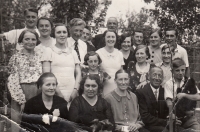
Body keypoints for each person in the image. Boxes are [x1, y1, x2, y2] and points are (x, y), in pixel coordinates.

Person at [41, 23, 81, 103]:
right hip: (53, 91)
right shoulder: (48, 51)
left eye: (64, 32)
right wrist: (58, 92)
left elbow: (78, 73)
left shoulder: (73, 52)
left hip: (72, 91)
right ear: (54, 34)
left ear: (67, 34)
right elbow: (46, 75)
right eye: (59, 32)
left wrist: (75, 90)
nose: (62, 35)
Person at [7, 29, 42, 112]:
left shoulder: (40, 56)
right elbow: (13, 80)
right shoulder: (15, 57)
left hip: (38, 92)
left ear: (37, 41)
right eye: (27, 39)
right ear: (21, 40)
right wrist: (21, 100)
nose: (30, 42)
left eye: (33, 39)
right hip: (20, 92)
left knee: (36, 120)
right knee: (20, 120)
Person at [136, 66, 176, 132]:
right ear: (148, 76)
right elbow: (145, 117)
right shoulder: (141, 92)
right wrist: (165, 122)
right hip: (147, 126)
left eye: (159, 75)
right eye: (154, 75)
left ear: (162, 78)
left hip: (163, 125)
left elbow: (167, 111)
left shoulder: (164, 91)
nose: (157, 78)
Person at [164, 58, 200, 130]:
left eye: (182, 70)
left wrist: (184, 95)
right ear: (172, 71)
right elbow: (168, 101)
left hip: (190, 118)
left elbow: (198, 97)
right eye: (177, 70)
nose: (180, 73)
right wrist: (172, 115)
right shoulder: (168, 83)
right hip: (176, 118)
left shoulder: (189, 81)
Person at [96, 30, 124, 96]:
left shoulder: (120, 54)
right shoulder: (98, 53)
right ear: (104, 38)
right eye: (108, 37)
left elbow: (121, 72)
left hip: (117, 87)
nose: (111, 39)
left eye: (113, 37)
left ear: (116, 39)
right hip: (103, 88)